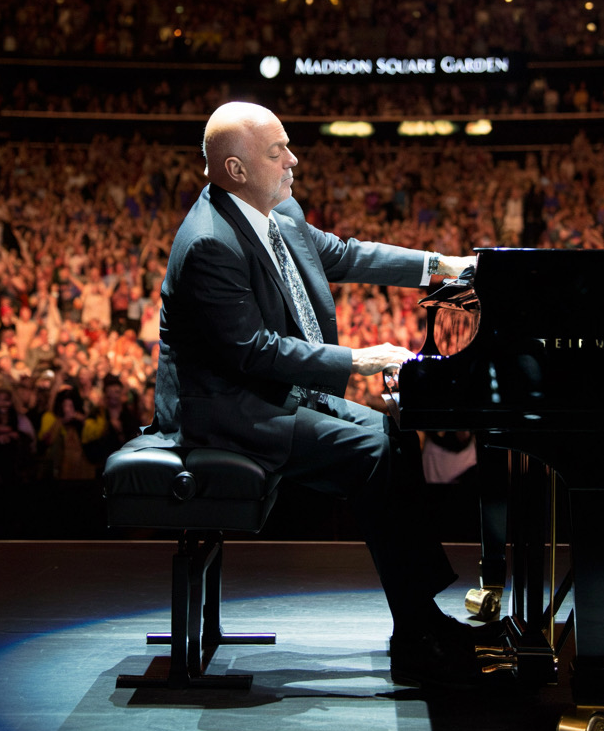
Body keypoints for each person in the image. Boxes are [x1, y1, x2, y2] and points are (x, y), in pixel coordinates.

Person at [154, 101, 497, 689]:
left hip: (273, 391)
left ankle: (417, 621)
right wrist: (360, 360)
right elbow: (253, 351)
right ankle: (418, 634)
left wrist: (446, 266)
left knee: (393, 430)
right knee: (372, 453)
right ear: (236, 169)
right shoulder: (209, 243)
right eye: (277, 152)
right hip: (229, 410)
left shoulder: (277, 212)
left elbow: (346, 253)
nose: (293, 160)